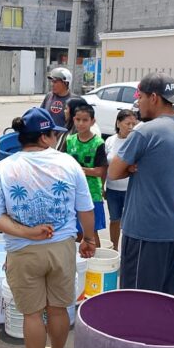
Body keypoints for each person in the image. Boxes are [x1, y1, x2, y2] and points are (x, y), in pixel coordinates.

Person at [0, 107, 96, 348]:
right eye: (53, 134)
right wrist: (89, 240)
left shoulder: (4, 168)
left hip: (23, 252)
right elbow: (86, 207)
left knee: (33, 314)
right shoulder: (68, 163)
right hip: (61, 248)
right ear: (45, 137)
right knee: (59, 308)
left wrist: (26, 232)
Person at [108, 72, 174, 294]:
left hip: (144, 231)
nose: (139, 103)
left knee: (137, 299)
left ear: (154, 98)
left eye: (141, 97)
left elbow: (114, 172)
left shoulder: (146, 131)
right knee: (161, 297)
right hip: (172, 229)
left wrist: (131, 166)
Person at [65, 104, 107, 247]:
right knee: (76, 232)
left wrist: (78, 169)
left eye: (85, 120)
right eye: (78, 119)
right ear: (73, 120)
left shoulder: (98, 143)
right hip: (72, 192)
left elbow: (100, 171)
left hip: (92, 193)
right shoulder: (69, 140)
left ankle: (97, 262)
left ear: (92, 121)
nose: (81, 123)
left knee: (91, 232)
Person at [104, 109, 137, 251]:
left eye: (133, 124)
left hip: (130, 189)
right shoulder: (110, 141)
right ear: (118, 123)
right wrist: (102, 186)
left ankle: (128, 251)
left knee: (130, 223)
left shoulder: (135, 141)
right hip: (112, 189)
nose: (130, 127)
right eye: (127, 123)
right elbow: (104, 165)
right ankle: (115, 249)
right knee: (115, 220)